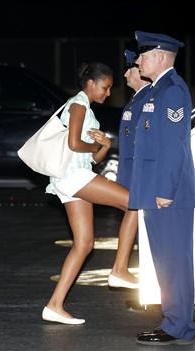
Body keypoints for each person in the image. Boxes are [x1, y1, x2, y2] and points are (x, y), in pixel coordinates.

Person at [43, 62, 133, 324]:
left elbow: (93, 158)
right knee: (135, 204)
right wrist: (96, 143)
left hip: (72, 176)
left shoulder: (84, 108)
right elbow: (74, 143)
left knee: (84, 244)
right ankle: (120, 269)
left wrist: (103, 144)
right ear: (91, 84)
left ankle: (54, 305)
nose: (107, 94)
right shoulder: (79, 104)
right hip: (73, 177)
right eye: (105, 88)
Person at [130, 31, 195, 346]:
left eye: (143, 54)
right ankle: (176, 321)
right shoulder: (158, 91)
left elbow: (173, 145)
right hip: (157, 189)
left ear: (160, 56)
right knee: (165, 260)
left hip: (170, 192)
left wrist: (166, 189)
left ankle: (179, 325)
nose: (138, 60)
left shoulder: (172, 91)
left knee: (174, 261)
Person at [108, 50, 151, 289]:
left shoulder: (147, 99)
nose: (125, 73)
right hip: (130, 171)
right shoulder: (138, 99)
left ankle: (121, 267)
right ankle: (120, 268)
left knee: (133, 213)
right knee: (132, 213)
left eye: (130, 68)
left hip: (136, 171)